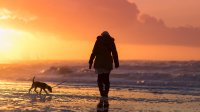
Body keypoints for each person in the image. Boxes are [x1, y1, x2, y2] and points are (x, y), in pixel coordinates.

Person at [89, 31, 119, 97]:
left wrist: (90, 62)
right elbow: (114, 53)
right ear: (108, 35)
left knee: (100, 78)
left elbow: (94, 52)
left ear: (102, 35)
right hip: (107, 63)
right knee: (106, 78)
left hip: (99, 62)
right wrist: (116, 63)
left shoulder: (98, 41)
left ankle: (102, 93)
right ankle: (106, 93)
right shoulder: (111, 41)